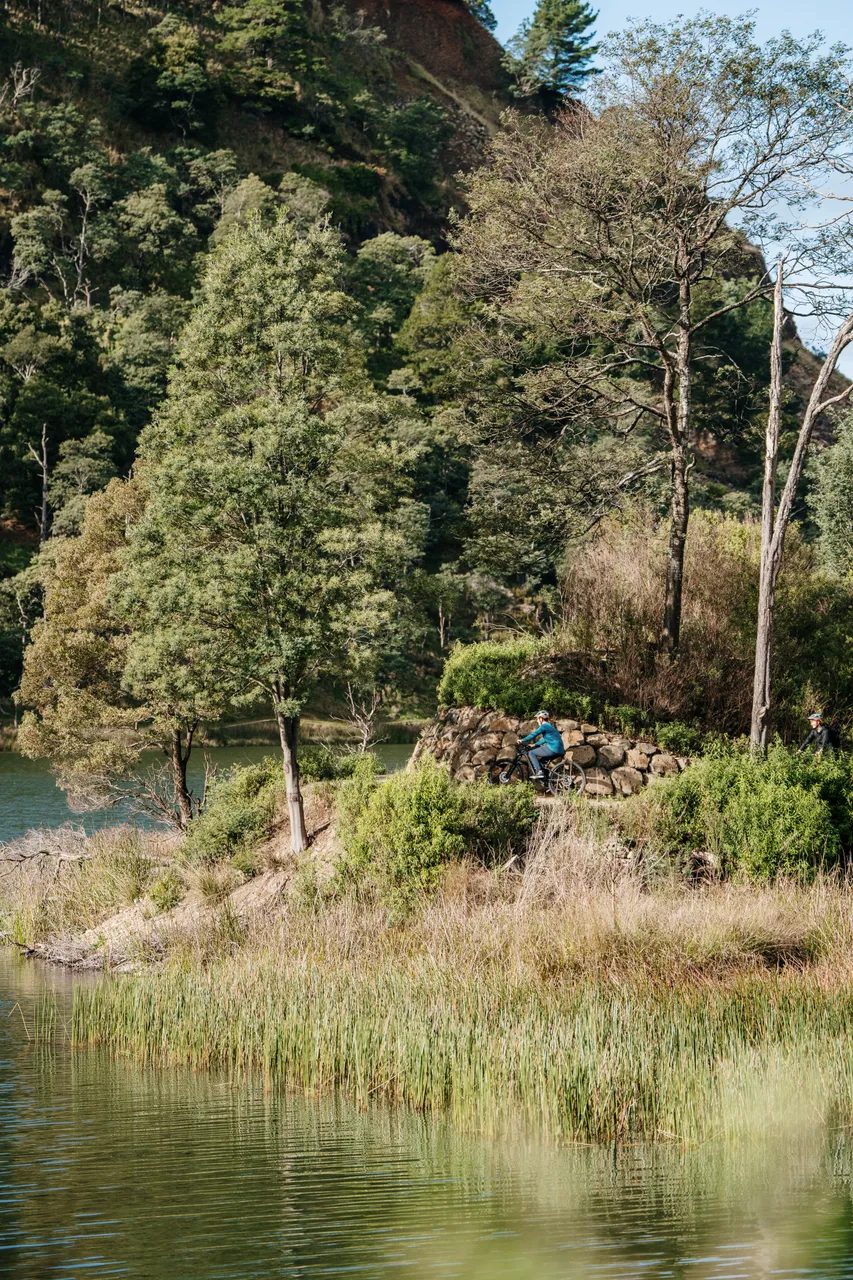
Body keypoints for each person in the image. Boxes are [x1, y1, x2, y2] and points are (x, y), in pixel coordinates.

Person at [520, 710, 565, 780]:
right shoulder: (550, 726)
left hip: (553, 748)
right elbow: (545, 739)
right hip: (560, 750)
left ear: (541, 719)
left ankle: (539, 772)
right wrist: (535, 744)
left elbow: (534, 734)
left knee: (531, 753)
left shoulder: (544, 726)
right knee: (541, 762)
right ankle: (546, 778)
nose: (537, 721)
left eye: (537, 719)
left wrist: (522, 740)